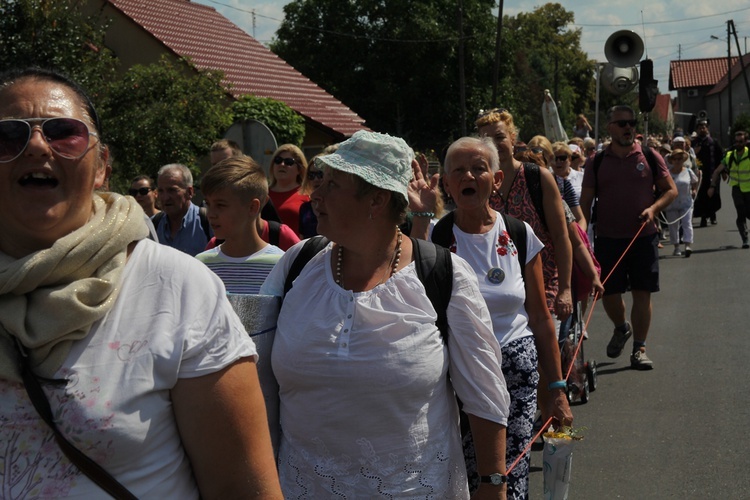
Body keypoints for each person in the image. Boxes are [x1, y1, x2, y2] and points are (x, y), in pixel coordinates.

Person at [0, 67, 282, 498]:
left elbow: (240, 488)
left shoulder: (180, 288)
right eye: (8, 136)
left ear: (102, 166)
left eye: (63, 133)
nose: (37, 145)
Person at [261, 130, 511, 499]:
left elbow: (485, 395)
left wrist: (493, 486)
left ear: (376, 200)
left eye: (333, 184)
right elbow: (256, 379)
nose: (316, 195)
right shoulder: (297, 266)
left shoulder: (443, 275)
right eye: (320, 181)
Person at [434, 136, 573, 498]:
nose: (469, 175)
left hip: (516, 369)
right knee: (465, 476)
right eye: (459, 170)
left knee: (508, 474)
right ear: (447, 183)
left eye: (478, 168)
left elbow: (540, 317)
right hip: (459, 375)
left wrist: (556, 389)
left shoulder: (518, 233)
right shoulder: (437, 237)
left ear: (496, 180)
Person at [580, 105, 677, 370]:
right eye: (622, 123)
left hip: (642, 237)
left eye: (631, 123)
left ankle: (639, 348)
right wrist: (580, 237)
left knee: (642, 293)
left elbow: (671, 191)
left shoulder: (649, 154)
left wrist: (653, 209)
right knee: (609, 294)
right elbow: (585, 202)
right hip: (608, 238)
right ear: (610, 127)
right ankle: (622, 328)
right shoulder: (596, 161)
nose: (628, 128)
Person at [196, 156, 284, 294]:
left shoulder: (281, 265)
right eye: (208, 204)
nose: (210, 214)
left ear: (253, 207)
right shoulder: (201, 265)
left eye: (220, 205)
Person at [154, 163, 213, 256]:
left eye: (172, 190)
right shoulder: (154, 225)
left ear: (190, 192)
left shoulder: (208, 222)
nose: (165, 197)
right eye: (161, 191)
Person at [708, 130, 750, 248]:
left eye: (741, 141)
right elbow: (717, 171)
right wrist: (712, 186)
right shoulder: (730, 156)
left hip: (749, 190)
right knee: (741, 214)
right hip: (736, 189)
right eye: (736, 141)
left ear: (745, 142)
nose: (738, 144)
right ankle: (745, 239)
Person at [267, 144, 309, 236]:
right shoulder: (262, 194)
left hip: (297, 249)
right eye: (278, 160)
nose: (282, 165)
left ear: (299, 169)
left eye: (288, 162)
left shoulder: (308, 196)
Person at [665, 148, 699, 257]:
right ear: (672, 160)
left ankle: (687, 245)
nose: (678, 161)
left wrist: (694, 190)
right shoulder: (668, 174)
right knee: (673, 226)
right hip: (671, 203)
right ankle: (676, 247)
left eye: (680, 159)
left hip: (686, 202)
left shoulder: (688, 171)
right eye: (675, 159)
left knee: (687, 223)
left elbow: (695, 181)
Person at [692, 119, 723, 227]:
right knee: (702, 196)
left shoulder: (713, 142)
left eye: (704, 127)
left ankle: (713, 215)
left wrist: (723, 172)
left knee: (713, 195)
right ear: (697, 129)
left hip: (713, 174)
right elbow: (688, 157)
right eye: (700, 127)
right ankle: (704, 217)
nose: (702, 129)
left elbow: (720, 157)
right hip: (699, 174)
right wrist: (694, 152)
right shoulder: (694, 143)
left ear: (707, 128)